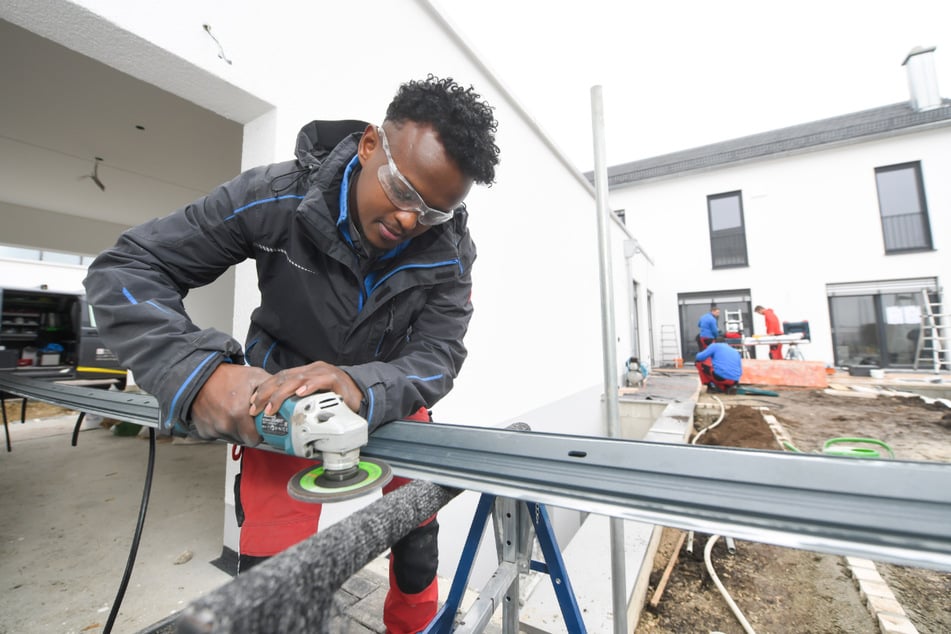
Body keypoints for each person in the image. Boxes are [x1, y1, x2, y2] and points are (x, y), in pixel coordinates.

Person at [82, 75, 500, 633]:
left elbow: (439, 354)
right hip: (282, 404)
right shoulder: (274, 197)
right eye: (403, 191)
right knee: (273, 580)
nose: (409, 220)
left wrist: (361, 385)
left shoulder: (449, 249)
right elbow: (128, 269)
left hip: (389, 400)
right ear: (371, 143)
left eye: (432, 212)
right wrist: (197, 373)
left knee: (417, 533)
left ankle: (414, 626)